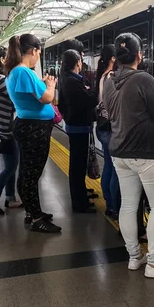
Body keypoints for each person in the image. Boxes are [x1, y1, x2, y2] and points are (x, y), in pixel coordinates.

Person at [103, 32, 154, 278]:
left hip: (119, 153)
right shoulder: (144, 79)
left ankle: (135, 257)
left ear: (116, 57)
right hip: (147, 153)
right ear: (139, 55)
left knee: (128, 205)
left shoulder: (108, 81)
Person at [5, 34, 61, 233]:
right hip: (33, 128)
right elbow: (46, 98)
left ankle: (32, 211)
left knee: (29, 172)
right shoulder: (23, 72)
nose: (39, 56)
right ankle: (36, 218)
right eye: (39, 52)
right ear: (34, 51)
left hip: (30, 126)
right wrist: (51, 85)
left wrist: (43, 84)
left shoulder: (18, 72)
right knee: (31, 173)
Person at [58, 49, 99, 214]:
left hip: (76, 126)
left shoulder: (69, 79)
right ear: (77, 63)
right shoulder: (72, 81)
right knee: (77, 166)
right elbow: (88, 101)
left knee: (78, 164)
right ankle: (79, 203)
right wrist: (95, 92)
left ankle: (80, 192)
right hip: (78, 127)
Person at [0, 47, 23, 214]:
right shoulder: (0, 79)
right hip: (6, 127)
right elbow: (16, 96)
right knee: (10, 166)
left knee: (10, 165)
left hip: (1, 126)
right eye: (6, 57)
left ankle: (10, 198)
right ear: (1, 60)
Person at [95, 44, 120, 218]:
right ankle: (113, 206)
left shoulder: (102, 76)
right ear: (113, 58)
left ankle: (109, 203)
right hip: (111, 127)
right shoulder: (112, 77)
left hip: (102, 126)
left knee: (109, 167)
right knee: (115, 169)